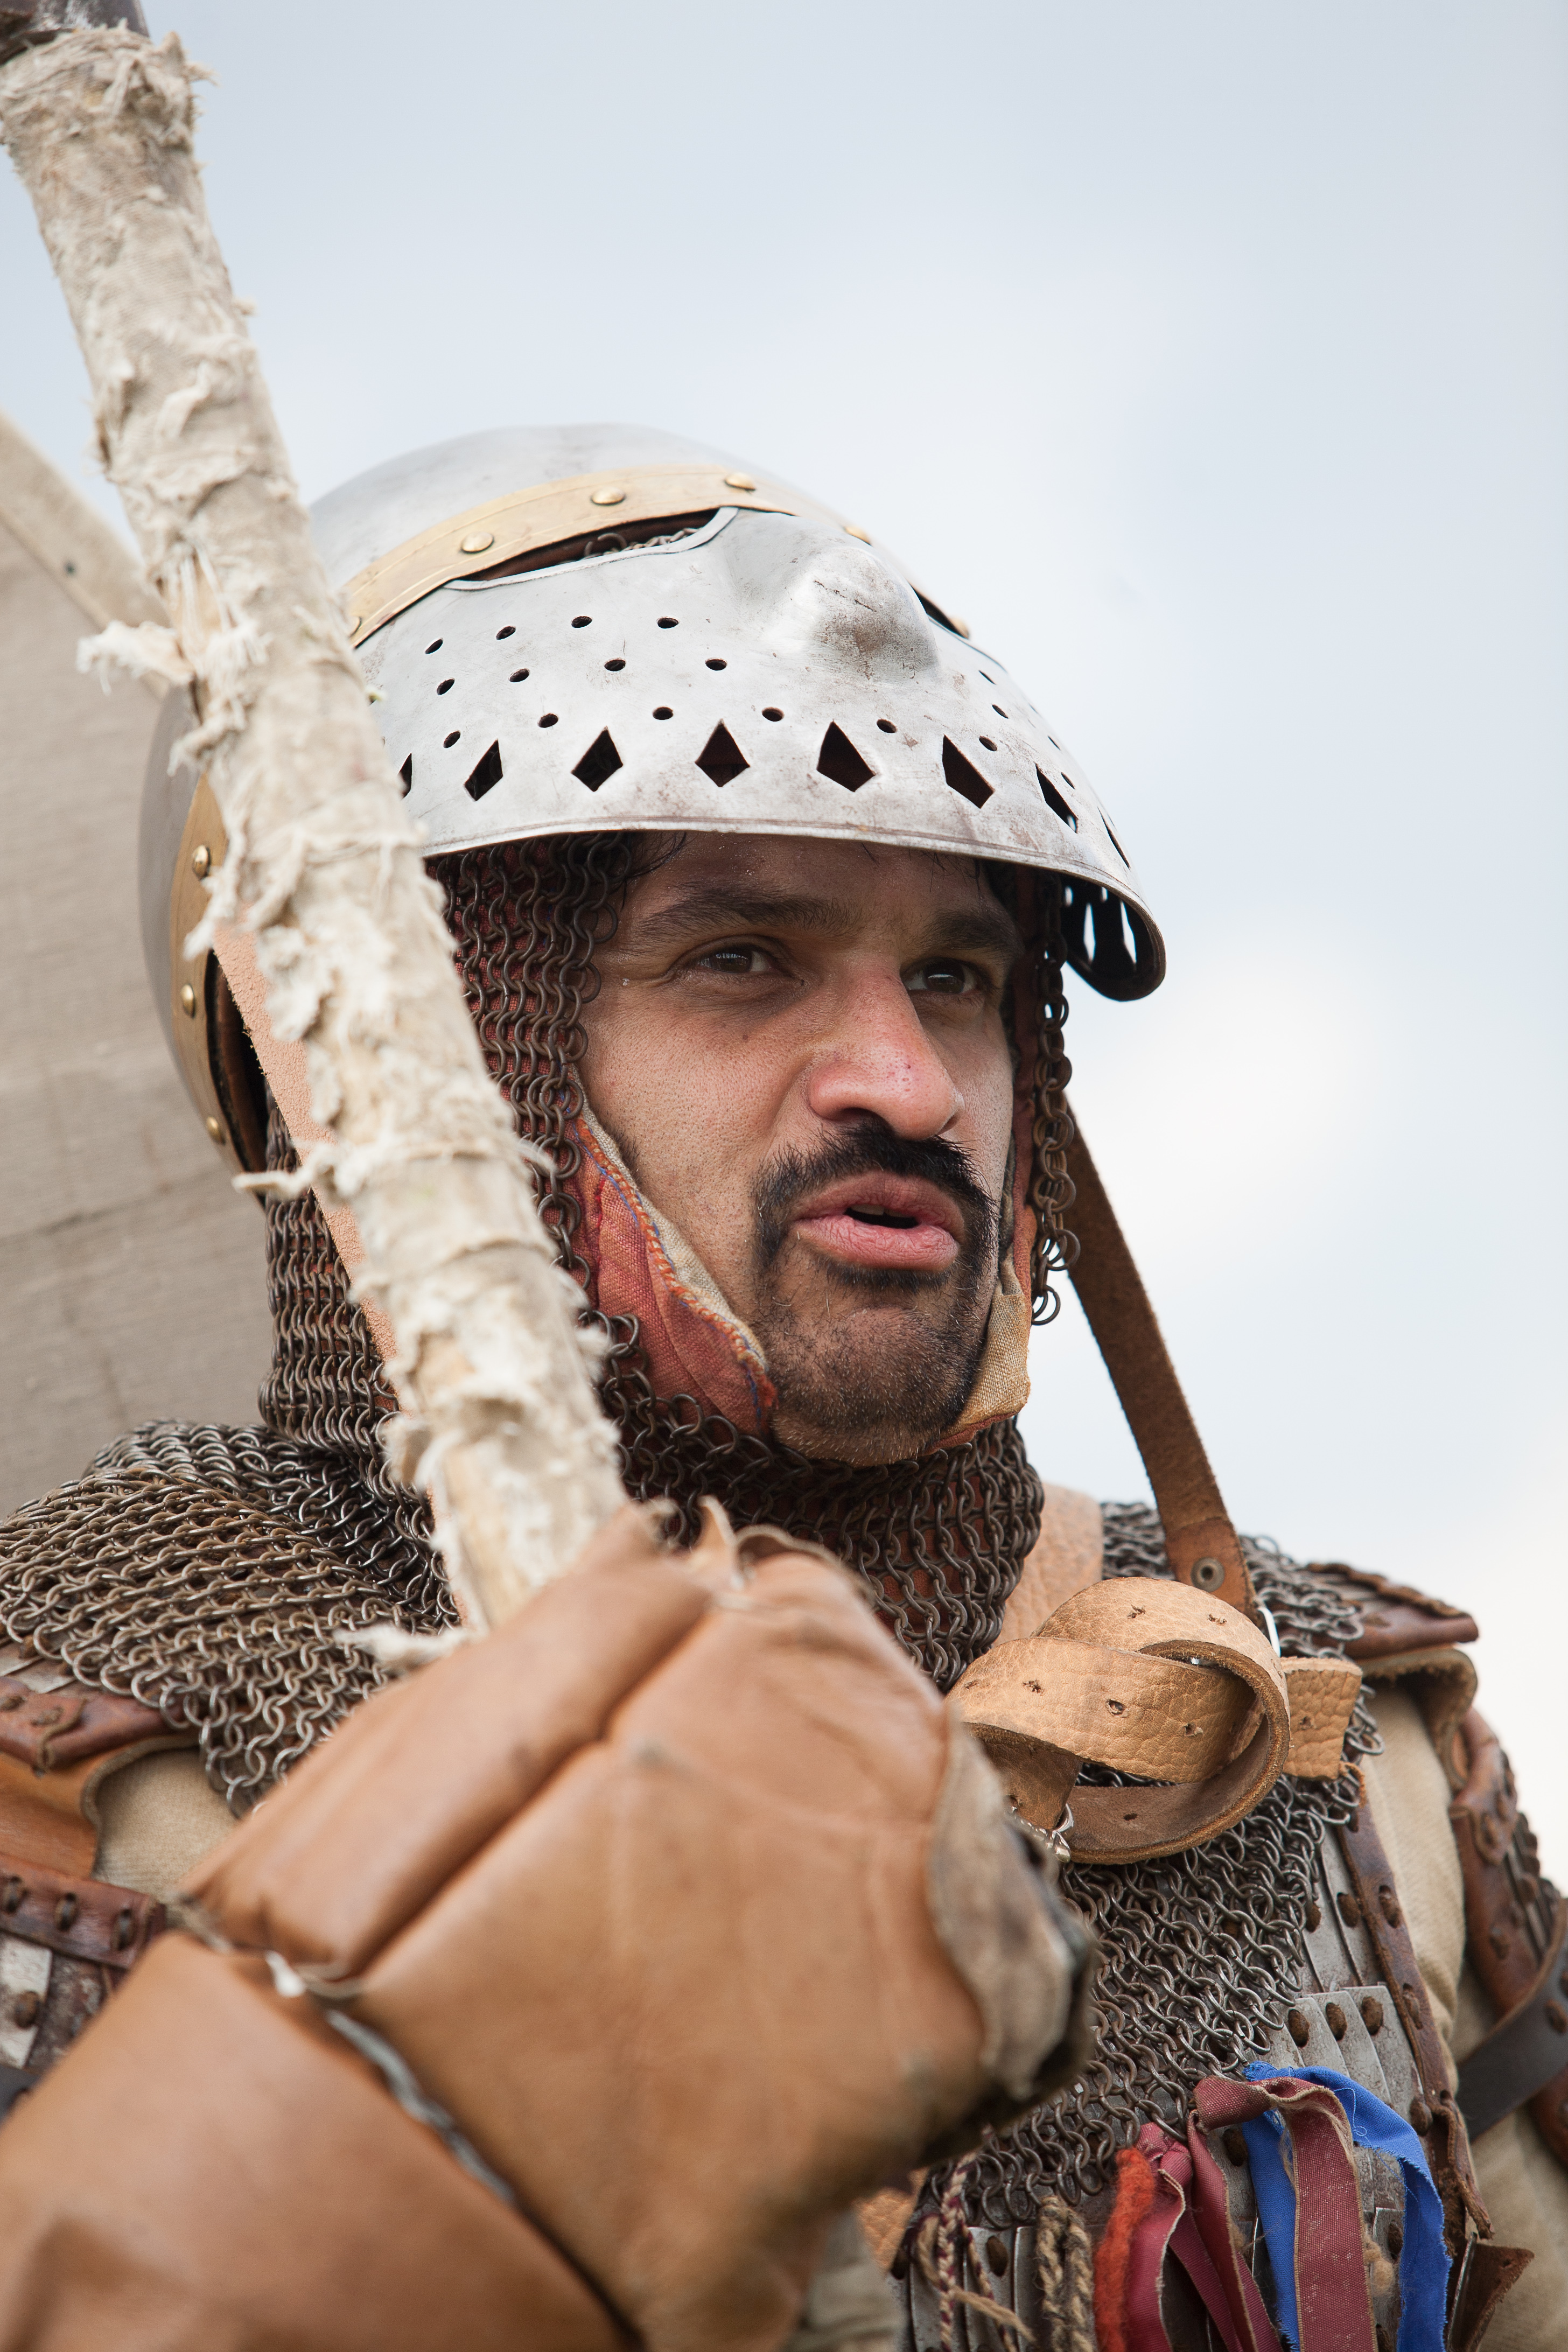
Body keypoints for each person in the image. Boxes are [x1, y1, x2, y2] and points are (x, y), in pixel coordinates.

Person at [0, 424, 1561, 2349]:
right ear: (396, 1061)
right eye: (741, 958)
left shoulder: (1340, 1750)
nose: (907, 1085)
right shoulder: (88, 1759)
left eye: (959, 980)